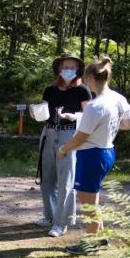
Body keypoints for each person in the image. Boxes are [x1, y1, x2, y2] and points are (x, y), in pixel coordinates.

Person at [57, 57, 130, 255]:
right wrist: (101, 124)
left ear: (90, 77)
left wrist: (64, 149)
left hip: (92, 154)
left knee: (88, 203)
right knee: (92, 197)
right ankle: (100, 237)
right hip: (107, 151)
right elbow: (129, 124)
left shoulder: (94, 105)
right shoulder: (117, 98)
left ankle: (90, 245)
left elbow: (82, 137)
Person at [37, 55, 92, 237]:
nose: (68, 69)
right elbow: (43, 111)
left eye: (72, 67)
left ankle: (62, 223)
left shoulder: (82, 90)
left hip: (69, 134)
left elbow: (89, 115)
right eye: (65, 66)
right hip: (48, 132)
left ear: (78, 70)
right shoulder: (50, 89)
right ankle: (50, 216)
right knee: (46, 179)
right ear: (59, 69)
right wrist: (35, 111)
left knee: (65, 180)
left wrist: (72, 116)